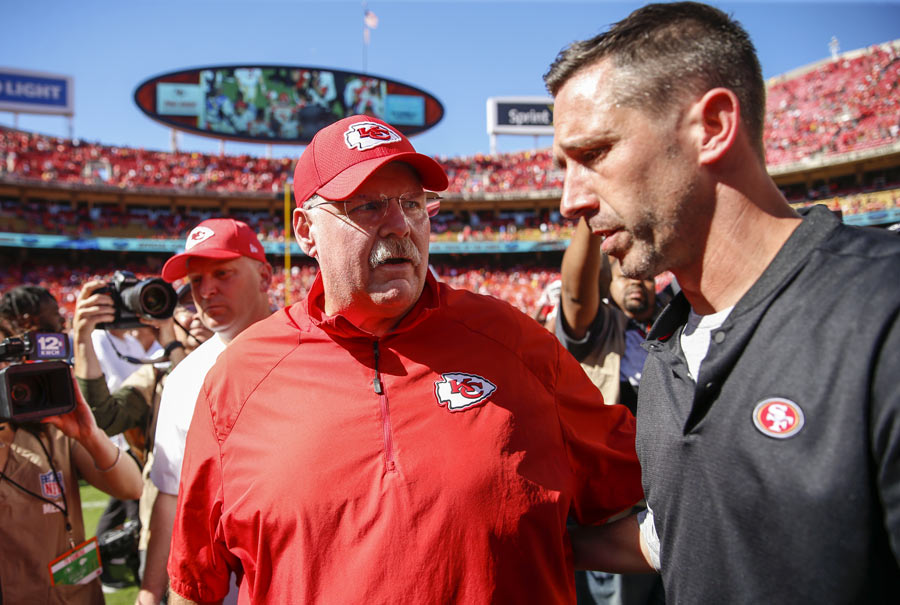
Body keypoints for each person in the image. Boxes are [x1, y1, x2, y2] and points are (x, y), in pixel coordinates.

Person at [165, 115, 643, 604]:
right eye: (367, 206)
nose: (400, 225)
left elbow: (648, 486)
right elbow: (194, 583)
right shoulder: (238, 377)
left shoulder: (515, 344)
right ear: (306, 231)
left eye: (413, 204)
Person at [544, 2, 900, 603]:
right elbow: (686, 531)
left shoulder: (880, 314)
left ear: (712, 127)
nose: (568, 201)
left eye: (594, 154)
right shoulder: (668, 346)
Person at [138, 218, 273, 605]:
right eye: (196, 280)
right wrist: (149, 592)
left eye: (222, 273)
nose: (206, 290)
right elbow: (170, 496)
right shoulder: (183, 379)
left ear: (264, 276)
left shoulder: (316, 350)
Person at [0, 311, 143, 604]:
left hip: (76, 593)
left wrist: (90, 435)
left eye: (4, 358)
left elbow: (132, 487)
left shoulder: (51, 430)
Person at [558, 224, 665, 605]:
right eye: (626, 276)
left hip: (669, 503)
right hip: (617, 511)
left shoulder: (670, 326)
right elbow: (574, 295)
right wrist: (589, 224)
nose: (639, 283)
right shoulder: (601, 328)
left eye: (648, 277)